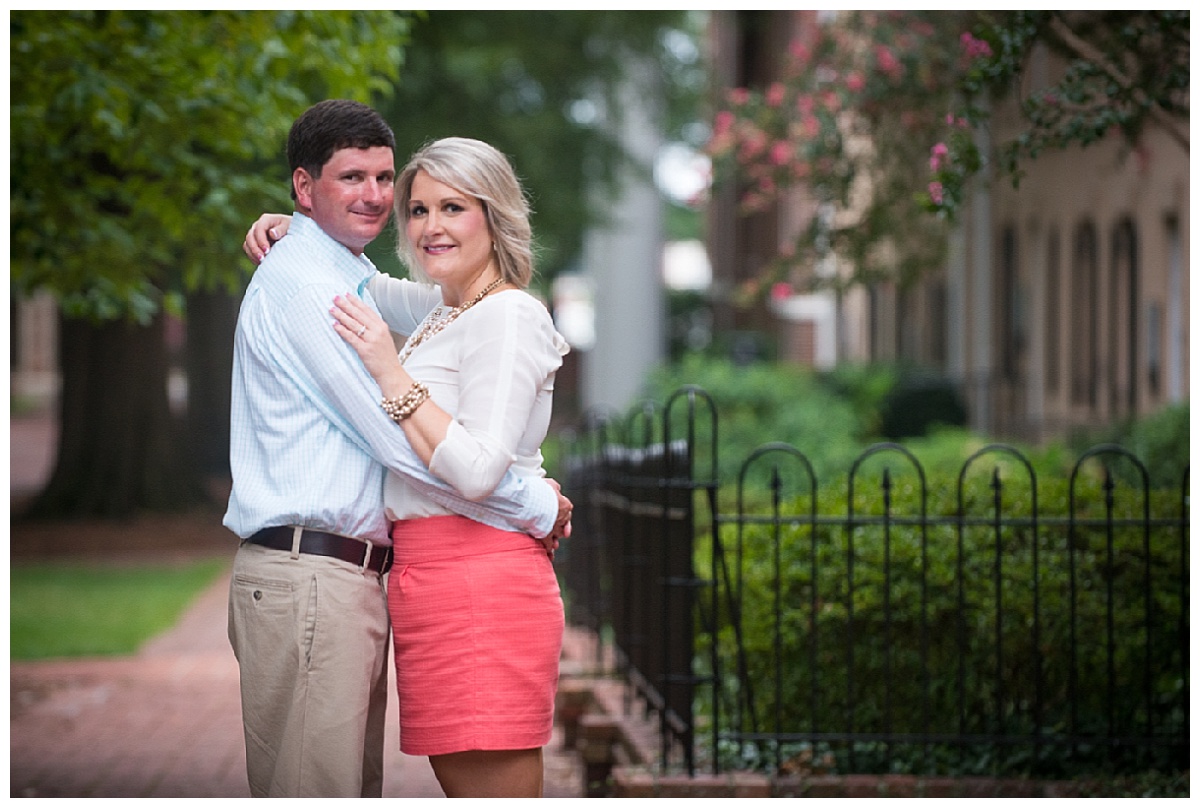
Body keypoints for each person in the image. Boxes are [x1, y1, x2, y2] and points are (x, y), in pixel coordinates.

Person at [225, 102, 570, 799]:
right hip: (328, 575)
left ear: (492, 214)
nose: (384, 201)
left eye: (387, 181)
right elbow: (399, 442)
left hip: (432, 580)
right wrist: (538, 502)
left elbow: (463, 453)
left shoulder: (476, 310)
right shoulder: (332, 291)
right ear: (303, 183)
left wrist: (307, 229)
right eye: (419, 208)